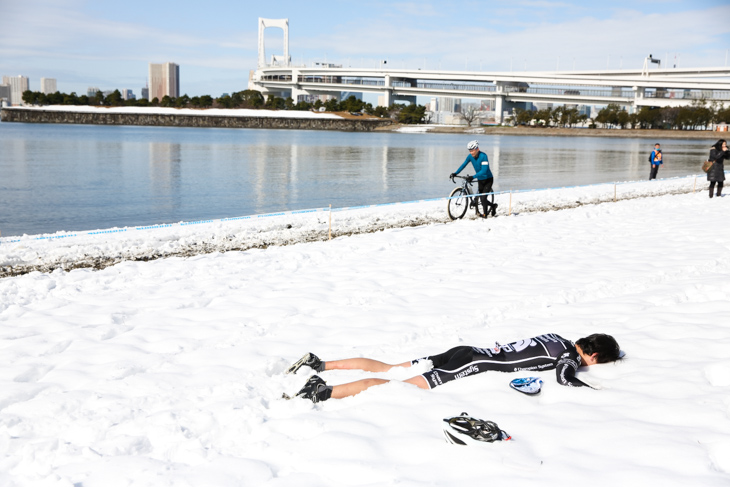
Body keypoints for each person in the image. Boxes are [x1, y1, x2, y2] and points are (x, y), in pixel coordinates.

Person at [287, 333, 621, 403]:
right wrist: (595, 389)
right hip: (471, 362)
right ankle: (323, 391)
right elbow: (564, 378)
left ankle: (321, 364)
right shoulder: (570, 357)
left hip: (466, 349)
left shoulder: (558, 337)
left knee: (391, 369)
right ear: (594, 356)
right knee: (398, 385)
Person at [450, 140, 498, 218]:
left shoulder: (483, 156)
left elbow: (484, 170)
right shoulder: (470, 157)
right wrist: (455, 173)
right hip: (480, 180)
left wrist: (473, 177)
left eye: (472, 150)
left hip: (488, 179)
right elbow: (463, 165)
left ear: (477, 149)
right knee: (481, 198)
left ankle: (485, 214)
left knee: (483, 199)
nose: (471, 152)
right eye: (470, 151)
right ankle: (493, 206)